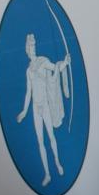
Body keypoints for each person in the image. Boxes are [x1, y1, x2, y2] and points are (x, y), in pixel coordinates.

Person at [16, 33, 70, 186]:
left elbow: (55, 68)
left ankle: (57, 163)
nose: (32, 48)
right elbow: (29, 92)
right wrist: (24, 111)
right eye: (30, 46)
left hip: (45, 105)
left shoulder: (43, 61)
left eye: (33, 45)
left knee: (51, 136)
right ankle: (47, 174)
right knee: (41, 141)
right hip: (35, 108)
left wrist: (65, 63)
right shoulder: (29, 70)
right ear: (27, 50)